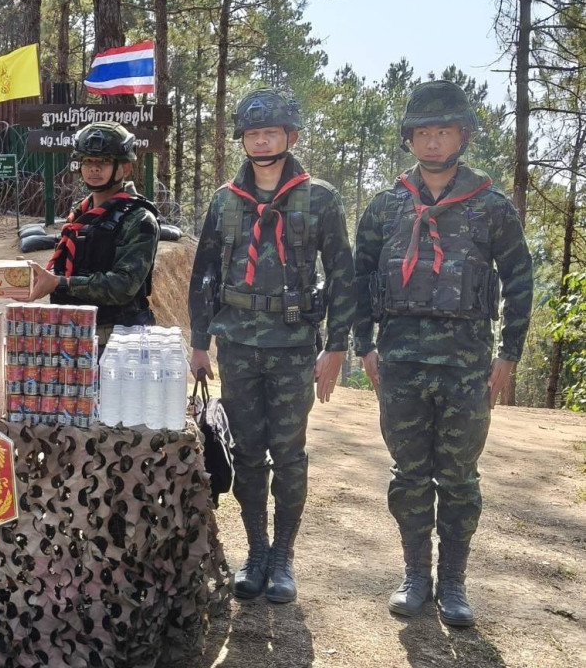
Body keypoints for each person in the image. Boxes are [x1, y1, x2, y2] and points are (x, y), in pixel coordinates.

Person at [353, 80, 533, 626]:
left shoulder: (492, 207)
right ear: (410, 138)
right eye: (423, 132)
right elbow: (358, 279)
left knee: (458, 478)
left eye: (444, 132)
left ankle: (453, 582)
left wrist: (509, 354)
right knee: (409, 475)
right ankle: (416, 575)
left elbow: (519, 279)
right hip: (401, 360)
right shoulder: (386, 206)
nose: (433, 142)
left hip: (467, 364)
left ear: (463, 136)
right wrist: (364, 345)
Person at [187, 88, 354, 603]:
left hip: (293, 345)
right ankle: (256, 550)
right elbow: (203, 274)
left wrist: (336, 348)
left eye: (271, 132)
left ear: (291, 137)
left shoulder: (320, 198)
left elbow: (343, 275)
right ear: (243, 140)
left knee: (289, 453)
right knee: (246, 452)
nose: (261, 141)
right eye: (253, 133)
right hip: (237, 344)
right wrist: (199, 342)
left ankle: (283, 555)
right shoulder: (224, 201)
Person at [28, 121, 160, 347]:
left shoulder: (139, 219)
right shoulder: (81, 214)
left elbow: (124, 286)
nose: (94, 168)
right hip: (74, 335)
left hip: (119, 343)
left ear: (126, 168)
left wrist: (61, 283)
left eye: (104, 161)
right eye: (87, 161)